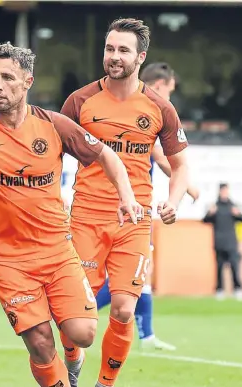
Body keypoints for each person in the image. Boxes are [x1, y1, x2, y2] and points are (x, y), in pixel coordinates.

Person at [0, 42, 143, 387]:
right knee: (40, 344)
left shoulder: (54, 125)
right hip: (8, 259)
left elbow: (108, 156)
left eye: (7, 77)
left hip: (57, 251)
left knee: (84, 333)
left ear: (27, 81)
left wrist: (127, 197)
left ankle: (73, 360)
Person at [60, 19, 190, 387]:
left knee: (123, 308)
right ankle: (72, 359)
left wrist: (174, 201)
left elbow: (180, 166)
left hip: (135, 221)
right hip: (85, 217)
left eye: (123, 50)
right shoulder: (80, 101)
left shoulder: (160, 108)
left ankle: (105, 384)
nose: (114, 57)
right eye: (110, 49)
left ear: (140, 57)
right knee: (75, 317)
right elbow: (51, 152)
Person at [89, 62, 201, 352]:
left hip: (131, 207)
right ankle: (80, 313)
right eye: (169, 90)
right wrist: (187, 186)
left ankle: (146, 335)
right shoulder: (140, 113)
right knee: (121, 280)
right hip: (119, 208)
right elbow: (164, 159)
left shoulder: (146, 112)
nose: (170, 97)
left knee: (138, 277)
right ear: (160, 85)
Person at [203, 183, 242, 301]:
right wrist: (210, 213)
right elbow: (205, 220)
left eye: (226, 191)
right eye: (223, 191)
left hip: (231, 241)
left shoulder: (232, 206)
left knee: (234, 266)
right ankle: (219, 290)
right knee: (219, 267)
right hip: (219, 241)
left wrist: (238, 213)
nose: (224, 193)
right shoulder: (215, 206)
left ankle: (238, 289)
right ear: (219, 192)